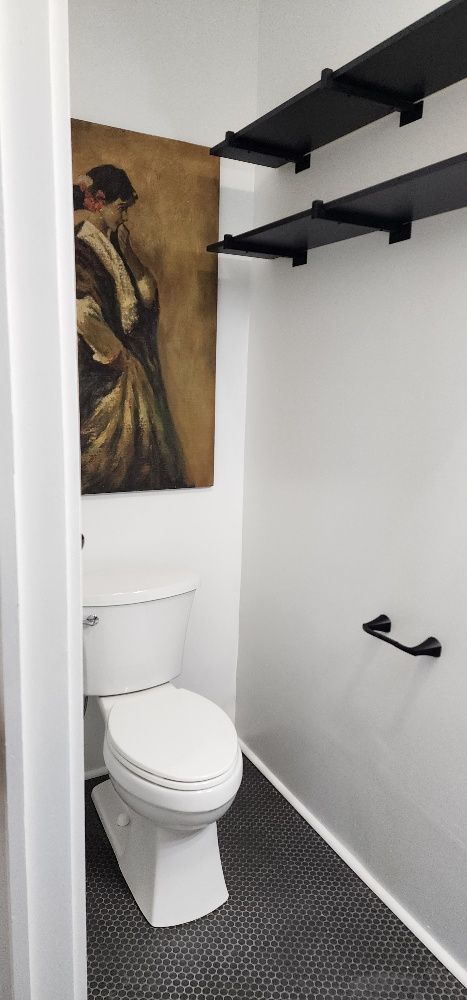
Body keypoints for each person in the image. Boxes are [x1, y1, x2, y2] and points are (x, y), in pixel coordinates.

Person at [73, 164, 188, 493]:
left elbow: (147, 299)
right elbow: (80, 312)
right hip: (109, 378)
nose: (124, 217)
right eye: (121, 208)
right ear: (100, 203)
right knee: (115, 462)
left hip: (136, 371)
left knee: (149, 460)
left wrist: (128, 251)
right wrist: (118, 358)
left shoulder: (114, 247)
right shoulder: (80, 249)